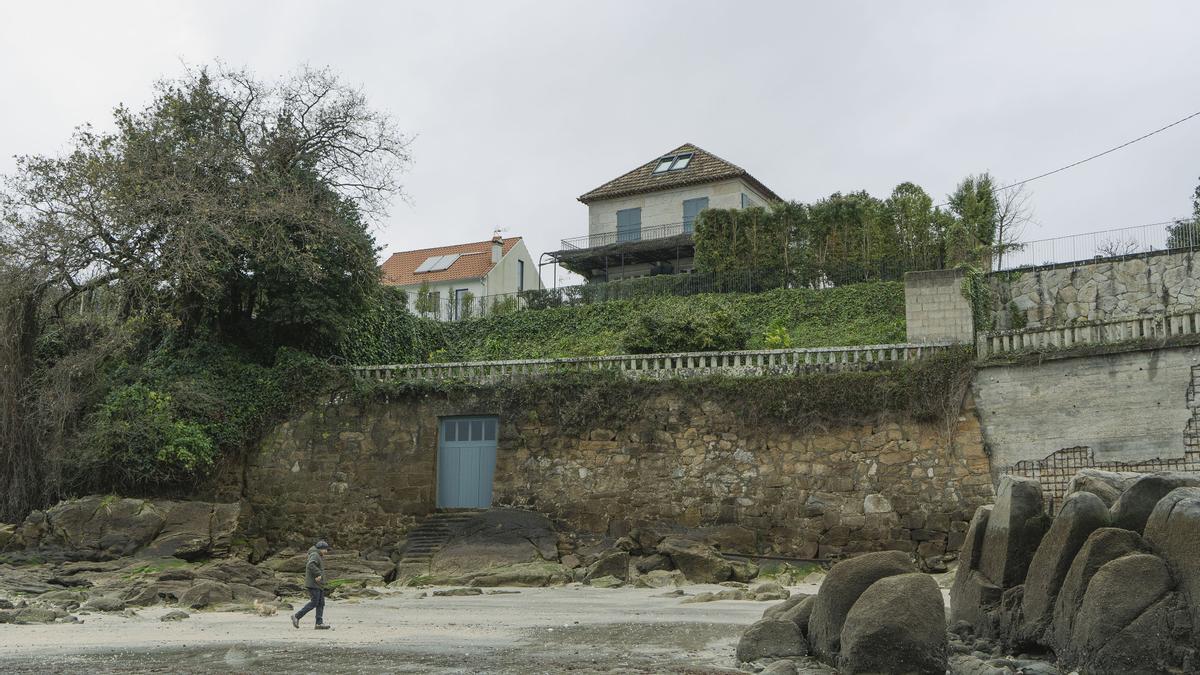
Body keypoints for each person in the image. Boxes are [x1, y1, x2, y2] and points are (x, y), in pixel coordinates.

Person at [291, 540, 332, 630]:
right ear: (320, 549)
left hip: (318, 584)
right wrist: (318, 574)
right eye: (325, 549)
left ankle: (319, 623)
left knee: (321, 603)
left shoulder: (318, 555)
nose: (326, 551)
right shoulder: (315, 555)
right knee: (314, 602)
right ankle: (296, 616)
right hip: (313, 584)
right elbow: (310, 565)